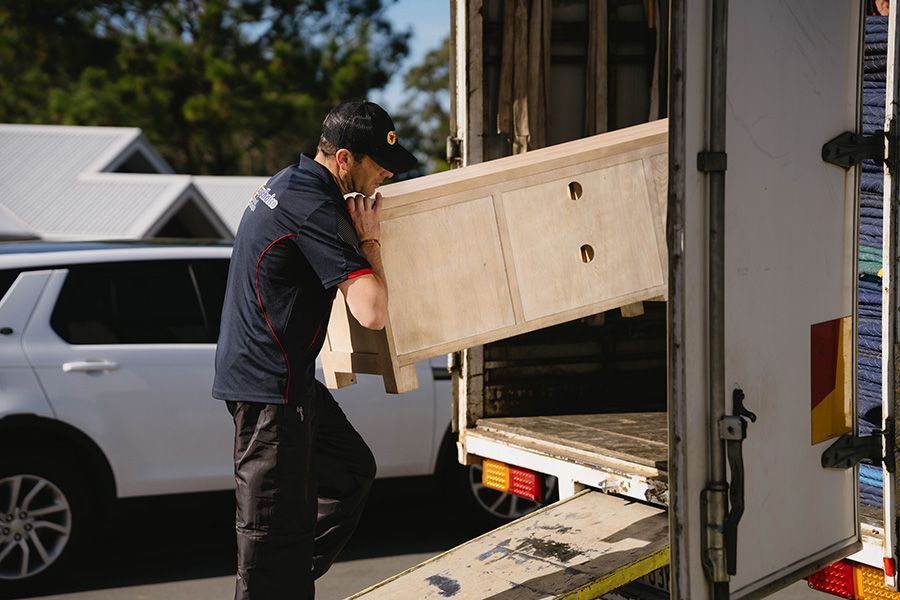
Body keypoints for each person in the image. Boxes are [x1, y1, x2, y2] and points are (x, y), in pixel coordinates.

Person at [212, 101, 417, 600]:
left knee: (350, 472)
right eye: (378, 163)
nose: (388, 173)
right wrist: (370, 242)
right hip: (270, 393)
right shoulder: (315, 206)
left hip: (286, 382)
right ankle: (277, 583)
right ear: (344, 159)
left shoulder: (289, 183)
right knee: (266, 539)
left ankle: (288, 581)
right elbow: (372, 310)